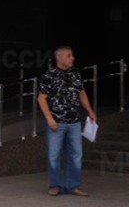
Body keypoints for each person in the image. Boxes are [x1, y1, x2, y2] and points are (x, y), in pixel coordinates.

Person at [37, 45, 97, 197]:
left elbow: (82, 94)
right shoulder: (49, 75)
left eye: (72, 55)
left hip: (75, 122)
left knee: (76, 154)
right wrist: (49, 119)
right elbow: (41, 98)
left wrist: (90, 112)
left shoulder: (75, 74)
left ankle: (73, 186)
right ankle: (55, 185)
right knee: (54, 155)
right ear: (59, 57)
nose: (73, 58)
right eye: (69, 55)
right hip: (56, 122)